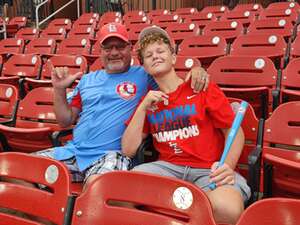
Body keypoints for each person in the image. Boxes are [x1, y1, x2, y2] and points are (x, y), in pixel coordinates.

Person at [32, 22, 209, 186]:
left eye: (120, 46)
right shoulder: (86, 80)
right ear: (100, 51)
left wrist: (197, 70)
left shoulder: (144, 74)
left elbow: (173, 84)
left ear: (130, 49)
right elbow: (65, 121)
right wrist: (59, 90)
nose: (114, 52)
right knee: (18, 171)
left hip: (112, 155)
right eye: (108, 48)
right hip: (74, 153)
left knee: (97, 187)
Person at [122, 26, 251, 225]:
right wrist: (142, 108)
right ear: (145, 67)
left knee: (227, 208)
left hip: (209, 170)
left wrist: (228, 167)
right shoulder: (148, 102)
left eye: (161, 51)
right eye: (148, 55)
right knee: (118, 191)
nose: (155, 56)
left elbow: (235, 132)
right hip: (168, 169)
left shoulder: (200, 86)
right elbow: (128, 150)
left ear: (173, 58)